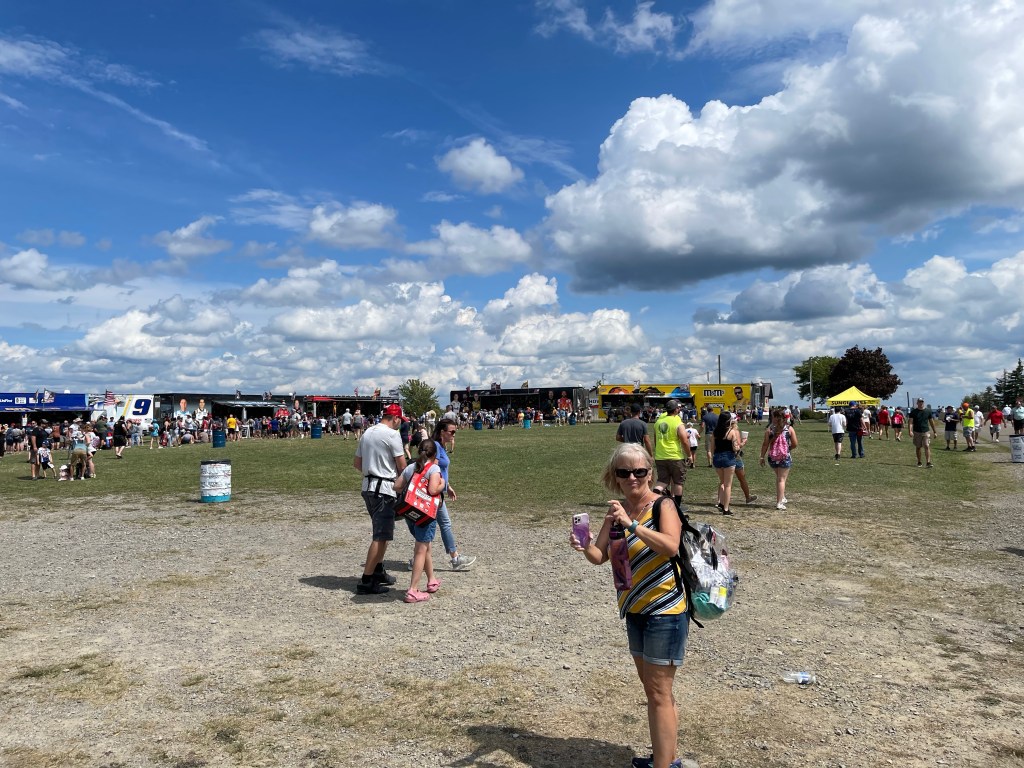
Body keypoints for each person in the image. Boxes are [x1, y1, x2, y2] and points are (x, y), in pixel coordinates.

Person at [570, 443, 687, 768]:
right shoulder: (617, 511)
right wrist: (584, 544)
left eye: (639, 471)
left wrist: (633, 525)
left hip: (665, 611)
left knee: (659, 693)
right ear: (616, 477)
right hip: (634, 610)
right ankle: (667, 758)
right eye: (624, 472)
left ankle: (664, 765)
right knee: (655, 692)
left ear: (650, 473)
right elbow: (600, 556)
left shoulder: (663, 505)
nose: (632, 477)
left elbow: (671, 546)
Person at [353, 403, 407, 595]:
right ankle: (367, 580)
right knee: (381, 536)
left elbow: (357, 463)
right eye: (400, 421)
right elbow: (402, 466)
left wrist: (373, 468)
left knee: (382, 532)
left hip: (368, 487)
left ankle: (378, 570)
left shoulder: (367, 432)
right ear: (396, 418)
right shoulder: (392, 435)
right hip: (384, 490)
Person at [394, 439, 445, 603]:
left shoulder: (411, 467)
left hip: (411, 512)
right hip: (426, 513)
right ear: (434, 454)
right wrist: (442, 484)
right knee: (421, 549)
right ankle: (413, 590)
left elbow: (397, 486)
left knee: (425, 545)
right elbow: (433, 489)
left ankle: (432, 580)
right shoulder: (434, 469)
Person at [432, 416, 477, 571]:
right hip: (434, 493)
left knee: (431, 526)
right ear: (442, 432)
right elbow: (432, 469)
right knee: (442, 524)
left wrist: (448, 486)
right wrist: (439, 488)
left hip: (439, 491)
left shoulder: (441, 446)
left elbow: (442, 470)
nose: (454, 435)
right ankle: (455, 558)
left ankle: (417, 559)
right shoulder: (435, 446)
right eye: (451, 432)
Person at [652, 399, 692, 509]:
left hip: (660, 456)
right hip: (675, 456)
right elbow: (684, 441)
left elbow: (655, 439)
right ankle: (677, 506)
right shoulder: (677, 422)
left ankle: (655, 496)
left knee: (662, 481)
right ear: (675, 410)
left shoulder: (658, 422)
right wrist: (689, 455)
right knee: (678, 482)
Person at [760, 407, 797, 510]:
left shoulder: (769, 430)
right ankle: (779, 502)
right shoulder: (789, 429)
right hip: (785, 457)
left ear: (775, 417)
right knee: (781, 479)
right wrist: (788, 448)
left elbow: (765, 444)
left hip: (772, 458)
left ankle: (782, 497)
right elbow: (795, 444)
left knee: (779, 478)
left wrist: (762, 457)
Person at [711, 412, 743, 515]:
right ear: (728, 421)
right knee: (728, 485)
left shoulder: (715, 432)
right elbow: (735, 448)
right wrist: (742, 444)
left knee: (722, 482)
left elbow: (712, 448)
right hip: (728, 458)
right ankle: (726, 508)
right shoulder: (731, 432)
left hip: (717, 458)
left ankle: (720, 502)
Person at [908, 398, 937, 468]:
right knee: (918, 447)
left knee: (926, 445)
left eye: (922, 402)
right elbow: (910, 422)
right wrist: (910, 431)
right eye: (919, 402)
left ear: (923, 403)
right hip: (917, 431)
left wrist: (935, 431)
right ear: (917, 403)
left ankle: (928, 462)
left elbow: (931, 421)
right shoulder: (913, 412)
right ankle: (919, 461)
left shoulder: (928, 411)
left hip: (926, 431)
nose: (921, 403)